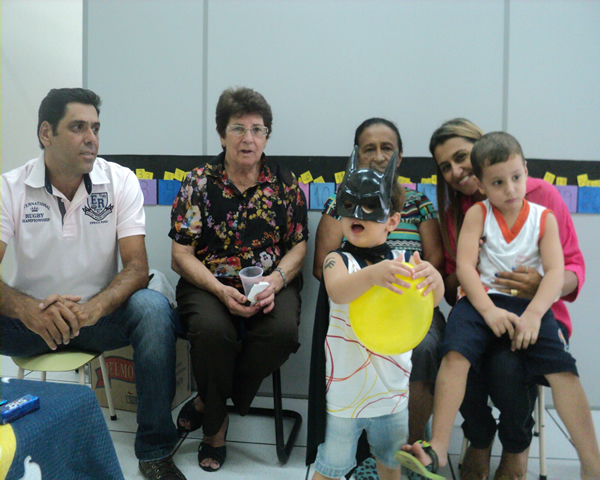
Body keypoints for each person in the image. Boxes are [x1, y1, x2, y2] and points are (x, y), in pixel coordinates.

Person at [0, 88, 185, 480]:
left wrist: (91, 309)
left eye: (96, 128)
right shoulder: (9, 188)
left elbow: (136, 268)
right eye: (78, 127)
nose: (91, 139)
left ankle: (154, 451)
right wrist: (29, 311)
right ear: (46, 133)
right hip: (31, 323)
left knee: (152, 309)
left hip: (98, 319)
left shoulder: (119, 181)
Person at [399, 132, 600, 480]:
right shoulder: (476, 214)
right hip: (481, 301)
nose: (510, 189)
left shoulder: (544, 216)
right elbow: (465, 268)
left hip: (530, 305)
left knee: (563, 371)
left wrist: (535, 314)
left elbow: (557, 272)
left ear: (526, 170)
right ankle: (439, 447)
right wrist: (488, 311)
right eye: (497, 182)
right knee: (454, 355)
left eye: (516, 177)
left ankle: (591, 462)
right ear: (482, 185)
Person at [169, 86, 308, 472]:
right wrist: (219, 290)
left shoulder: (284, 183)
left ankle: (207, 402)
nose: (249, 139)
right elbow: (180, 255)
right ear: (221, 134)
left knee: (281, 333)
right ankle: (215, 430)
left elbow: (298, 246)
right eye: (238, 128)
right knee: (213, 333)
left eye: (258, 129)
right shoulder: (198, 183)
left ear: (266, 136)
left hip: (270, 281)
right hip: (207, 283)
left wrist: (275, 282)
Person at [309, 149, 445, 480]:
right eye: (349, 204)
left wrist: (435, 280)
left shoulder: (403, 262)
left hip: (392, 392)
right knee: (331, 466)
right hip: (347, 394)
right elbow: (337, 290)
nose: (358, 214)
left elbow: (429, 303)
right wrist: (373, 275)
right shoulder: (337, 260)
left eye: (371, 207)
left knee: (390, 463)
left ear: (392, 222)